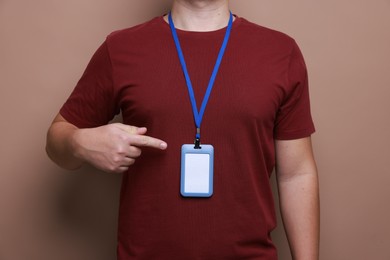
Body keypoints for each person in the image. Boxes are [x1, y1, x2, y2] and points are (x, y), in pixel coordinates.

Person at [46, 0, 320, 259]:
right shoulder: (120, 48)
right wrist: (79, 143)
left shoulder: (280, 52)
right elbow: (56, 140)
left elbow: (296, 175)